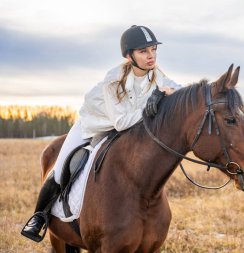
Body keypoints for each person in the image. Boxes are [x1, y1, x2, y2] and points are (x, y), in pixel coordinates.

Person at [21, 25, 181, 242]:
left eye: (153, 49)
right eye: (144, 51)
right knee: (60, 169)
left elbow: (179, 92)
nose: (151, 56)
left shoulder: (156, 74)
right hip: (92, 126)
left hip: (125, 129)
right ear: (128, 55)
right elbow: (122, 121)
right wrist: (152, 104)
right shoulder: (114, 79)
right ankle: (39, 217)